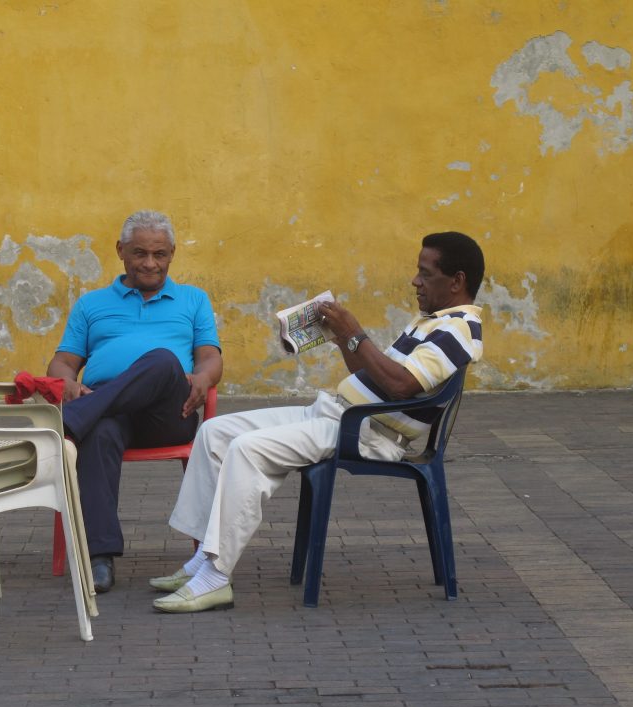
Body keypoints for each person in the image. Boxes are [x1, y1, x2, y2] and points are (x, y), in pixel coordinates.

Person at [152, 231, 485, 613]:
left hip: (368, 432)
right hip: (337, 414)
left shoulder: (459, 329)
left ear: (457, 281)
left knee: (246, 450)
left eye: (425, 274)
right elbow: (378, 373)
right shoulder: (430, 321)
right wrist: (340, 338)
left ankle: (215, 576)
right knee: (215, 432)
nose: (415, 281)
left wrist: (354, 333)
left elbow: (400, 385)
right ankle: (200, 559)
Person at [47, 210, 223, 593]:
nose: (150, 263)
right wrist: (70, 385)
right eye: (140, 253)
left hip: (168, 411)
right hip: (109, 410)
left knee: (162, 360)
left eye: (160, 254)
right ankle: (99, 558)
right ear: (120, 251)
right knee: (100, 430)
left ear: (172, 253)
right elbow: (62, 363)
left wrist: (204, 378)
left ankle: (71, 418)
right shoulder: (91, 305)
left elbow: (210, 357)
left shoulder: (193, 299)